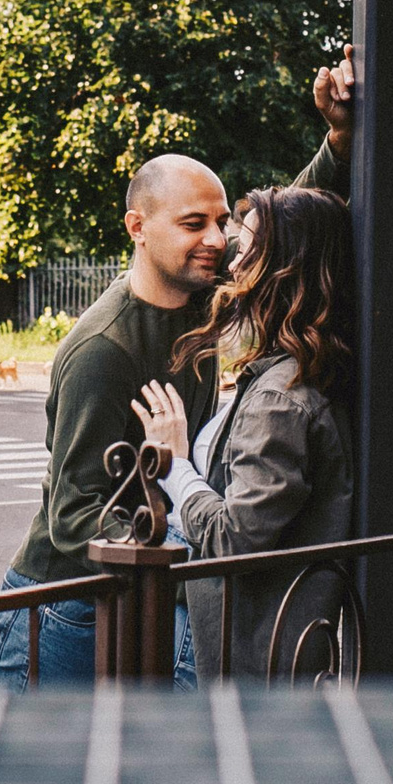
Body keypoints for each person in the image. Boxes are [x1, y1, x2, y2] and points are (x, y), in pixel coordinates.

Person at [0, 50, 357, 689]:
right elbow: (74, 514)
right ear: (138, 227)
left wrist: (339, 139)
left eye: (222, 223)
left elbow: (281, 234)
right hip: (69, 605)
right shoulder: (103, 349)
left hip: (156, 587)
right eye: (193, 224)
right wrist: (188, 544)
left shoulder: (208, 290)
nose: (216, 239)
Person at [132, 184, 357, 685]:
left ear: (283, 268)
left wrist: (175, 465)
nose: (233, 265)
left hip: (253, 662)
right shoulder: (298, 373)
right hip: (262, 648)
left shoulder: (281, 398)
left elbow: (234, 540)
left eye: (248, 250)